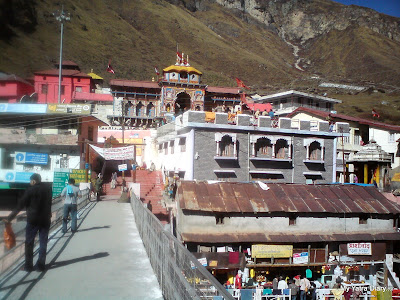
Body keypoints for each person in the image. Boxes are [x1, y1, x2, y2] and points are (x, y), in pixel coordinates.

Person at [5, 173, 52, 272]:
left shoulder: (30, 190)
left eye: (31, 181)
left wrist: (10, 218)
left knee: (29, 243)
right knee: (43, 242)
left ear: (33, 181)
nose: (30, 183)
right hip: (45, 219)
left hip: (32, 220)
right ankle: (40, 266)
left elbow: (20, 205)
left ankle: (28, 266)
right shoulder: (48, 189)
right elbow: (49, 203)